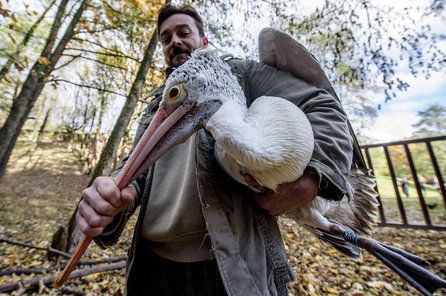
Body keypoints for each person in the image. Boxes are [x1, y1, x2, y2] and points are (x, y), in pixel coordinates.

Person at [76, 4, 354, 295]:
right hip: (154, 267)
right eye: (166, 38)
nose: (175, 41)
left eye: (183, 32)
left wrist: (312, 180)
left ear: (204, 41)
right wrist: (116, 193)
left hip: (230, 267)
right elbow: (140, 167)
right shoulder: (158, 105)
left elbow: (323, 106)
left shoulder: (240, 75)